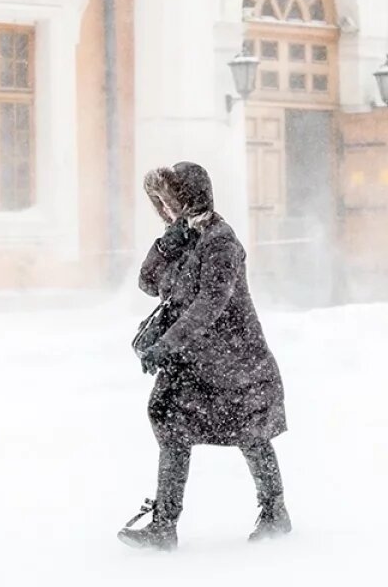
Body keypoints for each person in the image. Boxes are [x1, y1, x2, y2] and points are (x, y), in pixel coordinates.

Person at [117, 162, 290, 552]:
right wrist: (165, 245)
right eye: (161, 206)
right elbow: (147, 283)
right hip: (193, 361)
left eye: (172, 203)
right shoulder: (183, 241)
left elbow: (209, 304)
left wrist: (166, 345)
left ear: (191, 198)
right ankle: (164, 524)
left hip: (235, 361)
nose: (167, 212)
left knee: (252, 433)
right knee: (170, 425)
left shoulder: (220, 241)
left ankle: (275, 511)